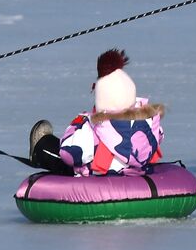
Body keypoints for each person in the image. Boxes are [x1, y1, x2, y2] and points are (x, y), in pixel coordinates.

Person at [28, 49, 165, 176]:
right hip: (131, 173)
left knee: (64, 159)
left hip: (101, 177)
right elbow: (160, 135)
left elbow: (68, 153)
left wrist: (79, 125)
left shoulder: (96, 130)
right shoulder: (149, 125)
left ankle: (40, 149)